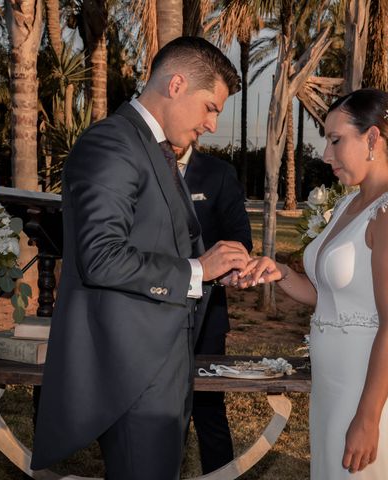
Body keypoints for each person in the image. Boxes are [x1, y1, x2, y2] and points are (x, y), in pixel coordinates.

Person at [31, 37, 251, 480]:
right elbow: (100, 256)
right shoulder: (113, 142)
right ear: (176, 85)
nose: (212, 124)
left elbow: (161, 243)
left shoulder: (153, 147)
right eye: (210, 106)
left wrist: (212, 271)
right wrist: (196, 270)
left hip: (164, 360)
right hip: (133, 370)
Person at [239, 89, 388, 479]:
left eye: (335, 140)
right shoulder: (351, 204)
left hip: (371, 390)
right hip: (332, 384)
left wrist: (368, 417)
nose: (327, 155)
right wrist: (278, 272)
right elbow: (327, 297)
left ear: (372, 138)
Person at [174, 143, 252, 473]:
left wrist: (226, 267)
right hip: (144, 314)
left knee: (208, 409)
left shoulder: (219, 173)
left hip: (207, 316)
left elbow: (240, 240)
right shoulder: (139, 166)